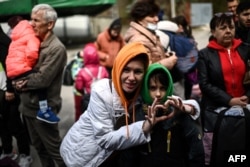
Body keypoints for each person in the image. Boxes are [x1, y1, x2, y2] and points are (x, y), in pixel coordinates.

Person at [60, 42, 177, 167]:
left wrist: (190, 107)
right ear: (118, 68)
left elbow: (175, 99)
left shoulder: (141, 89)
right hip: (80, 157)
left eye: (138, 72)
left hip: (110, 157)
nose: (131, 77)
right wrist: (143, 127)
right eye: (126, 70)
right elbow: (104, 139)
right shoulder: (102, 92)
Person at [118, 63, 204, 167]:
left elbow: (195, 151)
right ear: (145, 88)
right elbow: (128, 156)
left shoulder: (177, 113)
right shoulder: (137, 115)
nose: (158, 94)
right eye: (153, 88)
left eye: (163, 88)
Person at [13, 4, 67, 167]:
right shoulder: (33, 42)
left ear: (49, 24)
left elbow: (43, 79)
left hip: (43, 111)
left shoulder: (56, 48)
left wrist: (21, 83)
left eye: (36, 20)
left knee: (56, 151)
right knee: (40, 149)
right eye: (31, 19)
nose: (31, 23)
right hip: (28, 108)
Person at [197, 12, 250, 166]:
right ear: (213, 32)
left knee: (242, 150)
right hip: (215, 112)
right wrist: (229, 100)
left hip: (245, 108)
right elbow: (204, 84)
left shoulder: (246, 50)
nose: (228, 31)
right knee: (218, 152)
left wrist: (247, 97)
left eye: (231, 27)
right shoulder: (205, 55)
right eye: (223, 28)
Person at [5, 16, 60, 124]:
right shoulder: (31, 36)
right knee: (40, 80)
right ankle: (44, 110)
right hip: (21, 68)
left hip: (11, 71)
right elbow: (32, 53)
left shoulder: (15, 39)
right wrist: (29, 66)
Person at [0, 25, 32, 167]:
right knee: (2, 125)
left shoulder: (3, 42)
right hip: (2, 91)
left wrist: (10, 89)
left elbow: (10, 68)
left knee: (14, 124)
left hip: (7, 91)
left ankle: (26, 154)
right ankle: (8, 151)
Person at [124, 1, 177, 70]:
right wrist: (166, 63)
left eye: (156, 15)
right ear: (140, 19)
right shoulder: (139, 40)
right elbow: (142, 70)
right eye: (152, 16)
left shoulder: (150, 34)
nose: (157, 19)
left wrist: (164, 56)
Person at [75, 43, 109, 115]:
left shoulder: (82, 72)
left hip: (88, 100)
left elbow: (79, 87)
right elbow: (108, 83)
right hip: (102, 99)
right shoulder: (103, 69)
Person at [71, 50, 84, 121]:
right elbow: (74, 77)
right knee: (79, 110)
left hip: (78, 92)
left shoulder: (76, 63)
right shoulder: (77, 63)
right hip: (79, 92)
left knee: (79, 110)